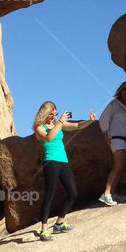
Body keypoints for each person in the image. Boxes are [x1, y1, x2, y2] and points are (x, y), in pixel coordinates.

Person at [32, 101, 96, 241]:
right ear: (45, 113)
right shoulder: (39, 127)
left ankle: (59, 223)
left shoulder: (57, 124)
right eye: (52, 113)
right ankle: (43, 229)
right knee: (49, 195)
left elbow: (77, 126)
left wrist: (90, 121)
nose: (54, 115)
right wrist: (60, 122)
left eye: (55, 113)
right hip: (51, 162)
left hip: (63, 162)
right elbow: (49, 138)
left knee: (73, 193)